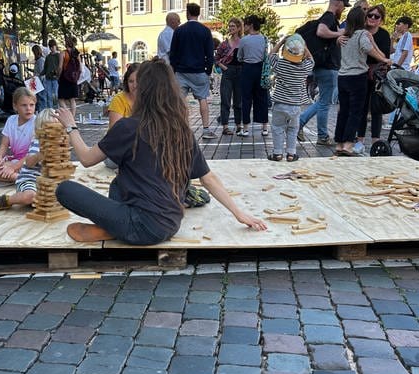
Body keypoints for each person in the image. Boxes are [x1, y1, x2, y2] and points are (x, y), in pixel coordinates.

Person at [53, 58, 267, 244]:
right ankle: (115, 228)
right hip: (171, 223)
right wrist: (239, 213)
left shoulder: (128, 127)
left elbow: (86, 159)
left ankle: (115, 230)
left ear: (142, 91)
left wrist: (71, 126)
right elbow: (208, 178)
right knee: (117, 184)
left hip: (142, 225)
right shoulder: (181, 129)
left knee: (64, 189)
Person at [334, 7, 392, 156]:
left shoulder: (345, 35)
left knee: (343, 112)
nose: (371, 18)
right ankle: (348, 144)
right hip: (357, 76)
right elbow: (369, 49)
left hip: (343, 76)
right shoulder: (361, 34)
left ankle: (339, 143)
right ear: (362, 19)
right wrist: (384, 59)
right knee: (355, 112)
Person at [297, 0, 350, 146]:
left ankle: (309, 127)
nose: (343, 9)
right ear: (338, 3)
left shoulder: (327, 17)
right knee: (324, 103)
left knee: (323, 101)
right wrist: (338, 33)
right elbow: (321, 31)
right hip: (327, 66)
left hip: (321, 65)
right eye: (343, 6)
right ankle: (320, 134)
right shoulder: (329, 17)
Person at [0, 108, 57, 212]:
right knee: (30, 196)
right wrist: (39, 155)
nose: (54, 133)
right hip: (30, 180)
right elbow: (30, 162)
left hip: (47, 183)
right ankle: (7, 200)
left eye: (58, 128)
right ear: (41, 129)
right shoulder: (38, 143)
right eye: (51, 128)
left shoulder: (59, 145)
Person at [170, 3, 216, 139]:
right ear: (199, 13)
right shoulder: (205, 31)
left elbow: (173, 53)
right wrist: (207, 69)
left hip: (182, 71)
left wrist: (174, 69)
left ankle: (180, 129)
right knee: (203, 99)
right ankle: (206, 129)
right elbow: (210, 53)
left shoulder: (179, 30)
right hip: (199, 70)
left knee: (180, 100)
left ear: (188, 13)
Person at [267, 34, 314, 162]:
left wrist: (282, 41)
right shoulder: (304, 68)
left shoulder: (281, 65)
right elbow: (311, 60)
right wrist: (303, 46)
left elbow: (270, 55)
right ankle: (291, 154)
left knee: (277, 128)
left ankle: (277, 153)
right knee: (293, 129)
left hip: (280, 104)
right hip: (295, 106)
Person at [354, 4, 391, 154]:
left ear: (381, 20)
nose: (373, 19)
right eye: (370, 15)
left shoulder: (383, 34)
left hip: (377, 73)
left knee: (376, 107)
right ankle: (360, 140)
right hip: (361, 72)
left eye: (377, 16)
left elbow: (384, 55)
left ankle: (376, 140)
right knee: (362, 107)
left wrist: (372, 42)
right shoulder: (359, 32)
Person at [0, 87, 37, 185]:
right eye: (24, 105)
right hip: (16, 162)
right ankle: (20, 178)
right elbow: (4, 144)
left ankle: (20, 178)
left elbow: (32, 155)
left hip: (31, 162)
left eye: (32, 105)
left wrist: (13, 167)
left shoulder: (37, 123)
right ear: (15, 106)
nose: (28, 108)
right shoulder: (11, 120)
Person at [103, 62, 141, 169]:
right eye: (131, 81)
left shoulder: (149, 99)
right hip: (118, 148)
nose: (135, 85)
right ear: (126, 83)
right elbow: (115, 134)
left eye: (138, 81)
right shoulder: (119, 100)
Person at [237, 15, 269, 137]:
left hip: (247, 69)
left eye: (245, 24)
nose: (243, 27)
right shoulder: (264, 38)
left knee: (246, 99)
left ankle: (245, 128)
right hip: (260, 69)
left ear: (249, 25)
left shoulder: (244, 40)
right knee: (262, 98)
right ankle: (264, 127)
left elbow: (239, 57)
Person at [214, 17, 244, 135]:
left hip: (240, 72)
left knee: (238, 101)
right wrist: (224, 67)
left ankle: (238, 125)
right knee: (225, 99)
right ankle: (225, 126)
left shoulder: (243, 42)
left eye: (233, 26)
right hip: (228, 72)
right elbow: (216, 59)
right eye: (230, 26)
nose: (231, 28)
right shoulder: (224, 44)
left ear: (238, 28)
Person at [57, 36, 80, 115]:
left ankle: (67, 115)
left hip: (64, 78)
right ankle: (72, 117)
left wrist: (58, 76)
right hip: (74, 78)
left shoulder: (63, 53)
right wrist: (77, 77)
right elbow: (80, 68)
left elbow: (60, 67)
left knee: (61, 99)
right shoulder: (77, 53)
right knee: (72, 100)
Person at [43, 39, 60, 107]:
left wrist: (57, 73)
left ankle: (57, 108)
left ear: (55, 46)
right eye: (50, 47)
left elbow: (60, 66)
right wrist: (40, 74)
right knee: (49, 95)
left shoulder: (58, 56)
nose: (52, 48)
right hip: (48, 78)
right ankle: (50, 109)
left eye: (53, 47)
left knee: (55, 94)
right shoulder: (48, 57)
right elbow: (45, 68)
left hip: (56, 78)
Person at [31, 44, 49, 110]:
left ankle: (42, 112)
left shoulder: (40, 60)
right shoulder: (40, 60)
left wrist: (35, 75)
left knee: (42, 98)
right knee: (39, 98)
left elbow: (41, 72)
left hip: (40, 81)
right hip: (39, 80)